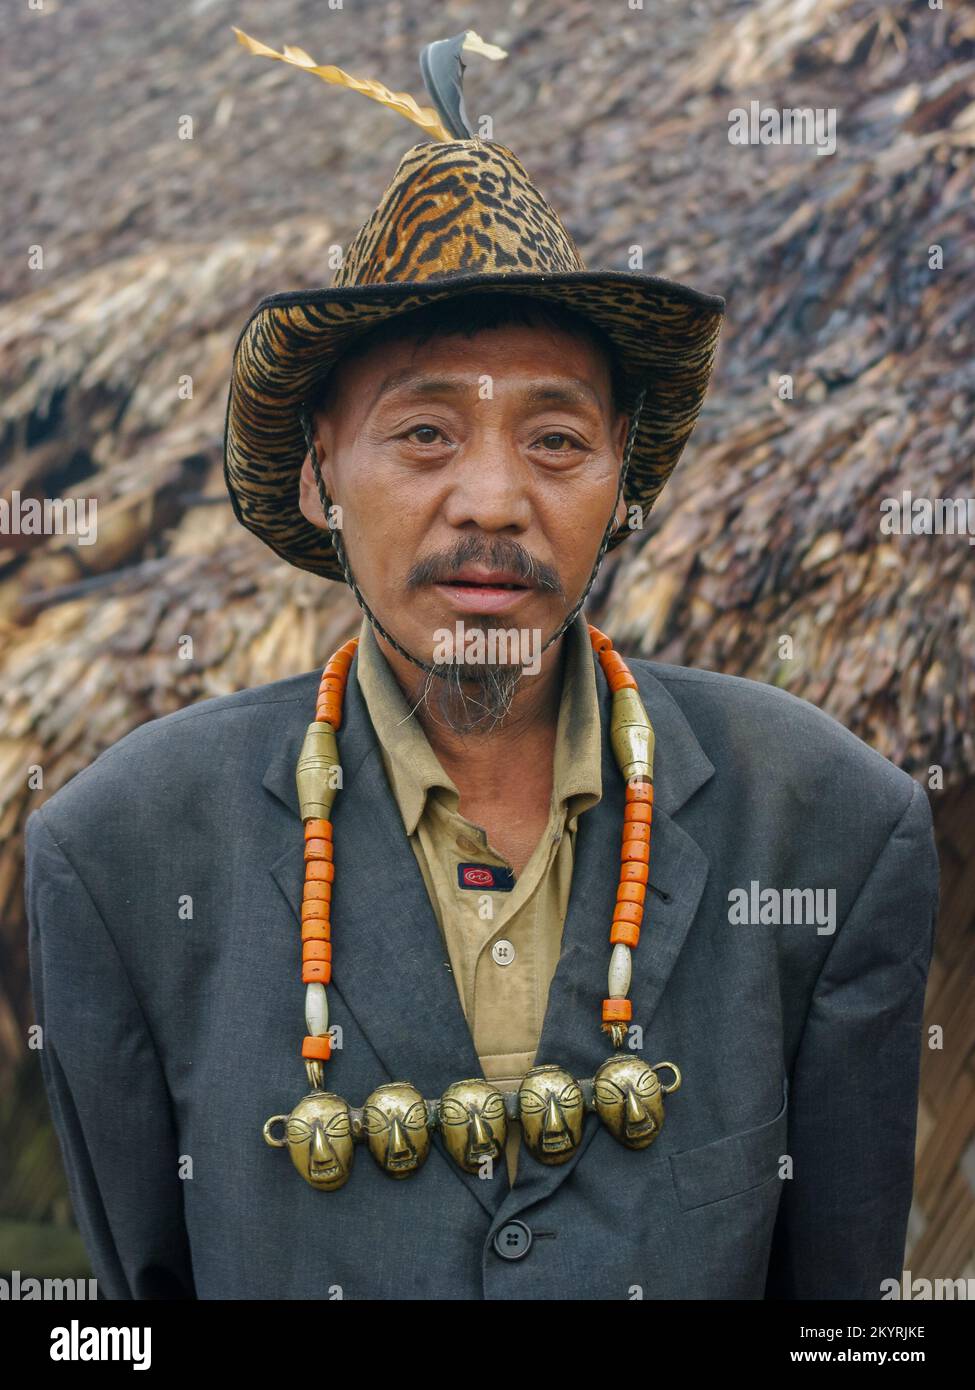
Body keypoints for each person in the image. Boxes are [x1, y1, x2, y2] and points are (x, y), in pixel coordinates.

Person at [25, 31, 939, 1300]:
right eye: (425, 431)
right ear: (319, 471)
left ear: (623, 479)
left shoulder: (828, 828)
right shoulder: (124, 853)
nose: (495, 500)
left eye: (557, 437)